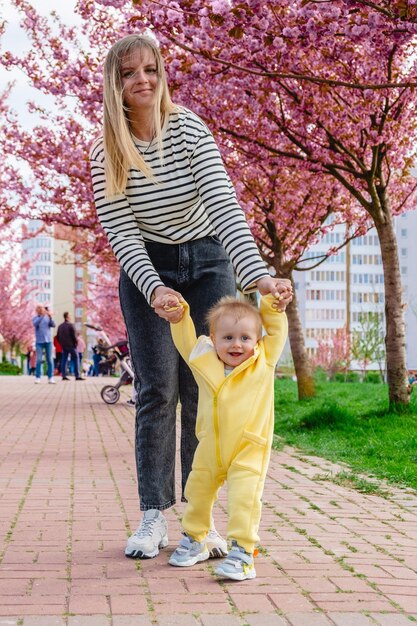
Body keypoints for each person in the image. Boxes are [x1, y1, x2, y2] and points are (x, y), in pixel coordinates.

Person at [89, 33, 293, 560]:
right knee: (158, 389)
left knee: (207, 389)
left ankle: (198, 523)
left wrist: (259, 278)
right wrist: (154, 288)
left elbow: (225, 206)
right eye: (131, 72)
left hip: (208, 261)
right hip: (148, 268)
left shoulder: (188, 130)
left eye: (151, 69)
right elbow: (122, 232)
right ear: (116, 82)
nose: (143, 80)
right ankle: (154, 513)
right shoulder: (106, 149)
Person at [162, 293, 288, 580]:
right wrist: (180, 317)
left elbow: (277, 331)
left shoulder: (263, 361)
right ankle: (196, 539)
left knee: (243, 500)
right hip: (210, 446)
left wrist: (272, 306)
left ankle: (243, 553)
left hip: (248, 447)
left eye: (245, 338)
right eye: (228, 337)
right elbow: (185, 342)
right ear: (213, 338)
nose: (236, 344)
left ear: (257, 341)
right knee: (197, 492)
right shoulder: (204, 360)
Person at [56, 312, 85, 381]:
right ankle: (77, 375)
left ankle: (63, 375)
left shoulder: (60, 326)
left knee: (64, 360)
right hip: (71, 345)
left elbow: (57, 336)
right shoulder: (71, 325)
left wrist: (61, 343)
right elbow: (74, 336)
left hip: (64, 345)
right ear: (68, 317)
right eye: (70, 316)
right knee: (76, 358)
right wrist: (75, 343)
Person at [32, 305, 56, 384]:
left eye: (42, 309)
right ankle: (38, 377)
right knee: (38, 359)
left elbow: (53, 325)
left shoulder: (47, 317)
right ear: (37, 311)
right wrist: (42, 316)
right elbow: (35, 324)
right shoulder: (35, 318)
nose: (41, 310)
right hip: (39, 341)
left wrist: (50, 317)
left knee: (50, 359)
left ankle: (51, 377)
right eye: (39, 309)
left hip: (48, 341)